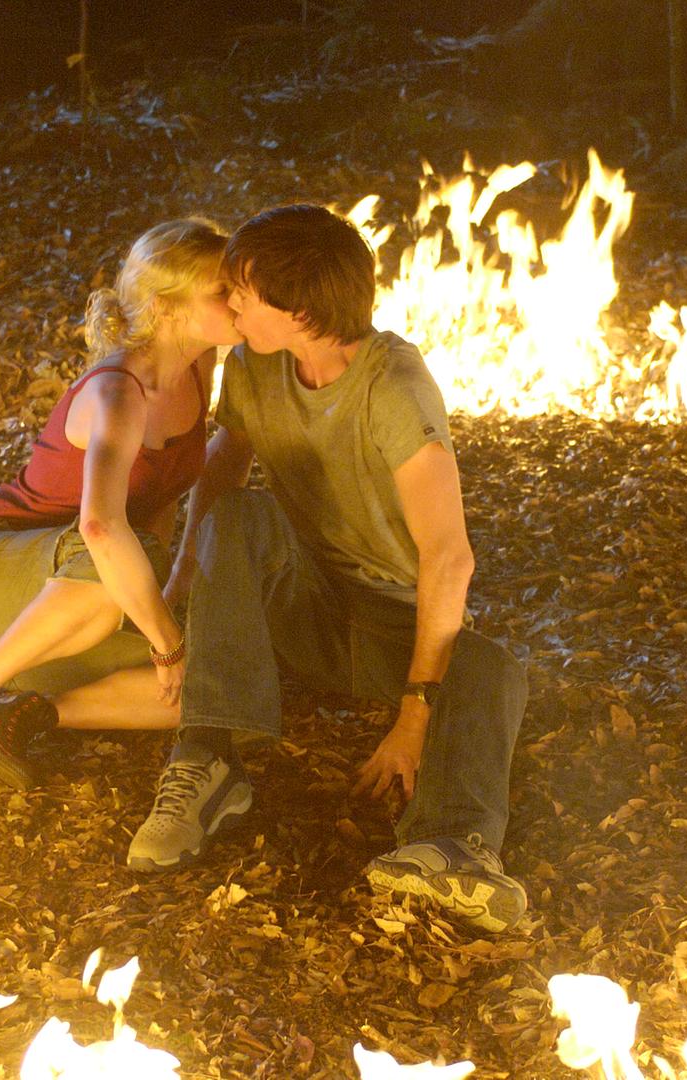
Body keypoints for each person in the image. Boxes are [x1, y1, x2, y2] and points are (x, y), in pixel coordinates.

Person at [125, 204, 529, 934]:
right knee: (239, 516)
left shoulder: (393, 388)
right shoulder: (253, 365)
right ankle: (209, 761)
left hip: (390, 623)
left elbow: (449, 557)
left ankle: (454, 846)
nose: (229, 302)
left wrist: (412, 718)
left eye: (244, 292)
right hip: (304, 598)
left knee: (490, 666)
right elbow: (221, 477)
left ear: (301, 310)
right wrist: (186, 578)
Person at [0, 217, 242, 809]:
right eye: (223, 290)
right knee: (113, 575)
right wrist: (162, 638)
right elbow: (102, 527)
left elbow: (157, 504)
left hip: (77, 593)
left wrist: (173, 593)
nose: (240, 297)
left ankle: (27, 715)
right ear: (168, 307)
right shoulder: (118, 393)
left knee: (218, 679)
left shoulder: (199, 366)